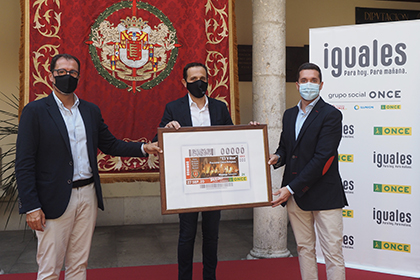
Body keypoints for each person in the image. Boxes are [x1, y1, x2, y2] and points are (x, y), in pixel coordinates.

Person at [15, 53, 162, 280]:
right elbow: (24, 162)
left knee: (79, 264)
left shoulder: (90, 110)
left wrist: (144, 149)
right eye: (61, 72)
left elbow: (111, 144)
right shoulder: (35, 111)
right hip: (53, 199)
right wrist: (31, 206)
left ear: (79, 77)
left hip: (88, 195)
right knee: (49, 268)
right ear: (51, 76)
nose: (67, 76)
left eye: (72, 73)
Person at [268, 62, 347, 280]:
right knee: (304, 249)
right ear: (296, 85)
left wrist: (290, 189)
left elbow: (323, 158)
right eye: (304, 81)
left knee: (333, 253)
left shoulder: (331, 115)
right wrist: (277, 157)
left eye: (313, 81)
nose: (308, 85)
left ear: (321, 85)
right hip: (297, 198)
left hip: (324, 195)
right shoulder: (289, 114)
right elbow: (286, 147)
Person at [156, 62, 233, 280]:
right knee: (186, 235)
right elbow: (158, 141)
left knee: (212, 236)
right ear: (184, 83)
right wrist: (167, 129)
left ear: (209, 79)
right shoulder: (174, 108)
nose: (199, 83)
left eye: (203, 78)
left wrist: (252, 131)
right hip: (186, 183)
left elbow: (233, 136)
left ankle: (210, 276)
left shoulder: (219, 107)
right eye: (193, 80)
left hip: (214, 180)